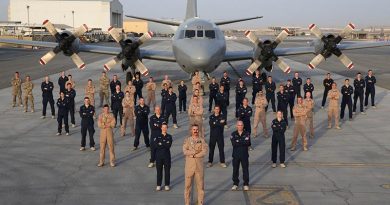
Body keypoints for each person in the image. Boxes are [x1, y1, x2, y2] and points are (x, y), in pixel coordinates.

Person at [183, 124, 208, 205]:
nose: (195, 131)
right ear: (191, 130)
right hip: (189, 168)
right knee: (187, 187)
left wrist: (194, 155)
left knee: (200, 187)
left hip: (199, 167)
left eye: (197, 129)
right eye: (194, 129)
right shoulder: (187, 140)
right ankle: (187, 203)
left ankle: (200, 203)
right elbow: (185, 151)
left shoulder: (202, 140)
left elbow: (204, 151)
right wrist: (194, 152)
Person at [230, 120, 251, 191]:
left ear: (243, 126)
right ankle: (235, 183)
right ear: (236, 126)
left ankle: (246, 184)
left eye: (241, 125)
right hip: (236, 155)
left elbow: (248, 143)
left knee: (245, 170)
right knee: (235, 170)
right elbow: (234, 143)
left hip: (244, 155)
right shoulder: (233, 134)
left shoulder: (247, 133)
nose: (240, 126)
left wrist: (238, 141)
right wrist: (242, 141)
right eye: (238, 125)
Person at [154, 123, 172, 191]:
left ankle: (167, 185)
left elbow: (168, 145)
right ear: (161, 128)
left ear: (167, 128)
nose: (164, 128)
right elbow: (156, 145)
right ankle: (158, 184)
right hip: (158, 156)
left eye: (165, 127)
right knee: (159, 171)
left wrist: (161, 143)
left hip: (167, 156)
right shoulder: (157, 136)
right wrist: (164, 143)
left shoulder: (169, 136)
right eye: (163, 127)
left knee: (167, 171)